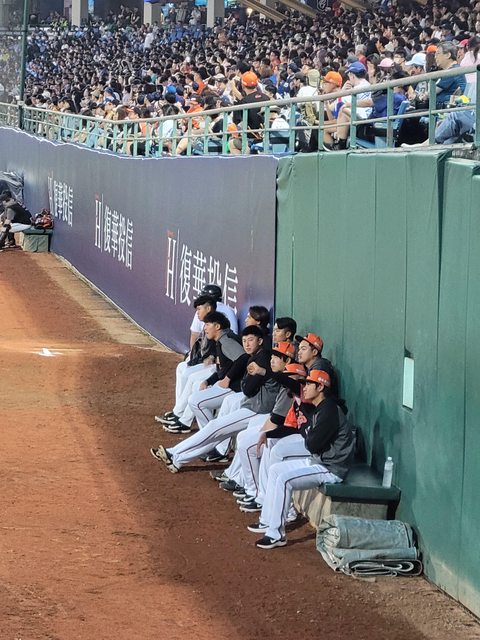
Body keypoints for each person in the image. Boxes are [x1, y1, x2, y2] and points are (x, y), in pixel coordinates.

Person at [248, 369, 355, 549]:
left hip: (332, 468)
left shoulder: (328, 410)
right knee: (275, 470)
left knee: (284, 480)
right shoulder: (320, 408)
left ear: (320, 387)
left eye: (309, 384)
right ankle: (267, 521)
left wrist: (308, 430)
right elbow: (307, 437)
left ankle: (276, 534)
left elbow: (312, 444)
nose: (304, 387)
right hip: (320, 461)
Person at [151, 324, 278, 472]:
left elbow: (248, 389)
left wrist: (247, 380)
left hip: (258, 410)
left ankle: (173, 453)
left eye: (251, 340)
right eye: (244, 341)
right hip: (254, 406)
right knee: (217, 433)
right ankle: (177, 458)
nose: (247, 344)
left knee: (214, 428)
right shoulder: (257, 357)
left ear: (260, 341)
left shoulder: (262, 358)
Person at [189, 283, 238, 349]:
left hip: (222, 348)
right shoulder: (230, 310)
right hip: (231, 346)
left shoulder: (204, 309)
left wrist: (192, 353)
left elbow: (194, 335)